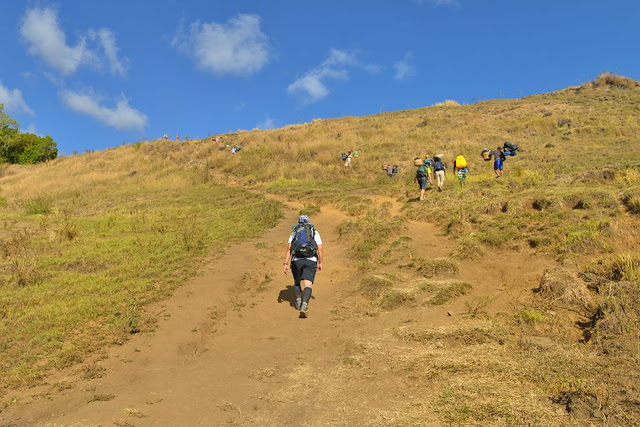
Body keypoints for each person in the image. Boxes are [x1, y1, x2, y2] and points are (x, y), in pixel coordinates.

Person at [283, 215, 323, 318]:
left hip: (296, 260)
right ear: (308, 222)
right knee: (308, 284)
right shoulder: (314, 231)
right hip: (311, 260)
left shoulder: (295, 232)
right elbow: (320, 248)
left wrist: (286, 263)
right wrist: (320, 262)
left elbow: (289, 248)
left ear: (299, 222)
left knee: (296, 283)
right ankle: (304, 305)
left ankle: (298, 301)